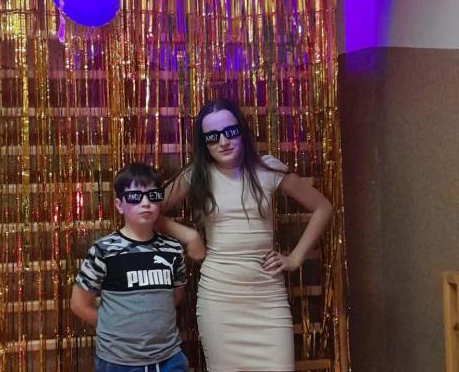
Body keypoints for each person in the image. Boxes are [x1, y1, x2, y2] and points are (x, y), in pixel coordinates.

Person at [160, 99, 333, 371]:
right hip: (219, 300)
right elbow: (148, 210)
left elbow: (323, 207)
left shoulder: (268, 168)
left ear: (241, 130)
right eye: (212, 137)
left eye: (230, 132)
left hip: (268, 300)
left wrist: (295, 258)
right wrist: (190, 236)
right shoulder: (197, 174)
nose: (223, 142)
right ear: (204, 143)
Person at [70, 162, 200, 372]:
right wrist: (116, 330)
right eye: (135, 197)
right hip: (117, 362)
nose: (146, 203)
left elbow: (174, 297)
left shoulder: (173, 249)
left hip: (169, 358)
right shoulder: (104, 250)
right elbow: (79, 304)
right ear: (119, 205)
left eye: (153, 196)